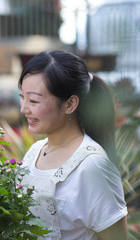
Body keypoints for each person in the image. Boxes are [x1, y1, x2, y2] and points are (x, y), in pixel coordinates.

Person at [19, 50, 128, 240]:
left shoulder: (93, 166)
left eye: (33, 100)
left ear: (70, 104)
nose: (24, 109)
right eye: (22, 97)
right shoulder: (34, 152)